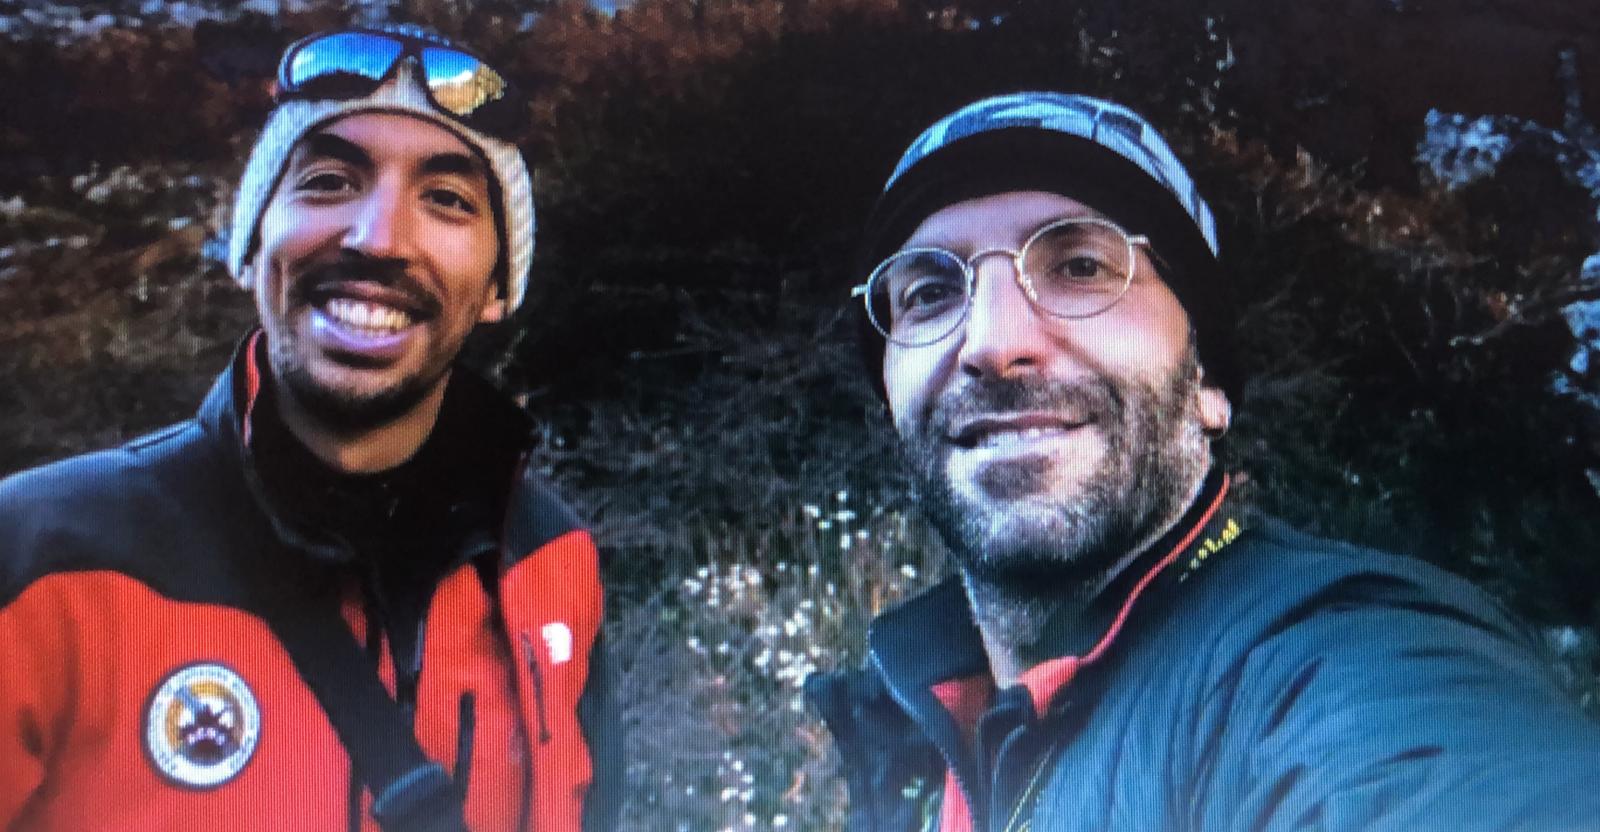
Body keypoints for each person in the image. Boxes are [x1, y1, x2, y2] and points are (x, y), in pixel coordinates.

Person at [804, 92, 1600, 832]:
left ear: (1207, 387)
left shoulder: (1342, 660)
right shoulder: (913, 723)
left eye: (1081, 266)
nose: (991, 341)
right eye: (929, 294)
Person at [0, 25, 618, 832]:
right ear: (252, 246)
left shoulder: (553, 562)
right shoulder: (41, 556)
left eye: (447, 200)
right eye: (328, 182)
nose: (379, 239)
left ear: (499, 284)